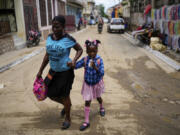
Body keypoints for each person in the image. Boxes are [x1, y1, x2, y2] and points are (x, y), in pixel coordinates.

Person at [36, 15, 83, 130]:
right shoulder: (49, 37)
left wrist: (74, 61)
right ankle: (67, 105)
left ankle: (68, 118)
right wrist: (40, 70)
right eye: (53, 27)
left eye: (57, 27)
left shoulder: (68, 39)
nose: (55, 29)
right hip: (53, 71)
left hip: (65, 72)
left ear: (63, 27)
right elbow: (47, 55)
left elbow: (80, 49)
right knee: (48, 92)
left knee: (64, 95)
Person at [67, 39, 105, 131]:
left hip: (96, 83)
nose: (92, 53)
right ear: (87, 51)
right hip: (88, 84)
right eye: (90, 51)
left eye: (94, 51)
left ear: (97, 50)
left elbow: (102, 73)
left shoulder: (99, 60)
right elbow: (76, 66)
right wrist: (71, 64)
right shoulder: (85, 59)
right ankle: (86, 121)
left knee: (98, 97)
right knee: (87, 101)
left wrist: (95, 67)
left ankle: (101, 107)